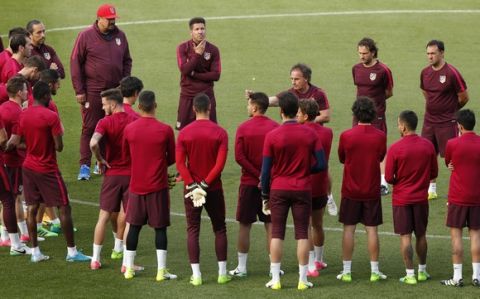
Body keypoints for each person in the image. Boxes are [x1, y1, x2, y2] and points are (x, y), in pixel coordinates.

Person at [10, 81, 90, 262]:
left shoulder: (23, 115)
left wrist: (32, 145)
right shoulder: (51, 116)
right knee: (64, 206)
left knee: (31, 208)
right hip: (47, 168)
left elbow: (17, 142)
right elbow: (59, 146)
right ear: (46, 96)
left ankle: (35, 252)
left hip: (28, 167)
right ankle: (72, 252)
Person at [261, 92, 327, 290]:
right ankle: (302, 279)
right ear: (296, 111)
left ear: (281, 112)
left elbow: (265, 171)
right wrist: (305, 169)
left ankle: (275, 279)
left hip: (278, 188)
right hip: (302, 188)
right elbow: (321, 164)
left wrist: (265, 194)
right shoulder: (310, 134)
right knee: (302, 234)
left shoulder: (272, 136)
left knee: (277, 234)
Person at [71, 3, 132, 180]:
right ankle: (84, 165)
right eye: (109, 19)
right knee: (89, 126)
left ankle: (103, 163)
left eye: (114, 18)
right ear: (99, 19)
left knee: (114, 126)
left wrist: (125, 82)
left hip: (115, 89)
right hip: (93, 89)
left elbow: (127, 60)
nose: (113, 21)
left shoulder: (120, 35)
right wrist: (79, 90)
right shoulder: (85, 36)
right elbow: (75, 62)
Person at [176, 93, 230, 286]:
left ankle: (197, 276)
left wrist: (192, 185)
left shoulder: (184, 133)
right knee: (220, 228)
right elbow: (220, 163)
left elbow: (181, 163)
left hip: (191, 190)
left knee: (192, 229)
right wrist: (205, 185)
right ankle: (222, 274)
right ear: (210, 108)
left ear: (193, 109)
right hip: (213, 188)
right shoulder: (220, 133)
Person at [123, 90, 176, 281]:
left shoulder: (129, 129)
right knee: (160, 228)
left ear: (139, 106)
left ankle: (128, 269)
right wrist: (159, 164)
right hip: (158, 186)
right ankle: (161, 271)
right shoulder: (165, 129)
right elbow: (173, 157)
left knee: (134, 227)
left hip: (136, 186)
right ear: (155, 105)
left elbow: (126, 155)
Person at [337, 96, 387, 282]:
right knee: (372, 230)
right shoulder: (380, 136)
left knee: (348, 229)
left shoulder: (346, 136)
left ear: (355, 113)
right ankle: (375, 271)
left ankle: (346, 271)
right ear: (373, 114)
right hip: (371, 190)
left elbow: (342, 158)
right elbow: (381, 157)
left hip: (350, 190)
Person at [229, 92, 279, 277]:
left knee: (244, 225)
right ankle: (274, 268)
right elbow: (278, 157)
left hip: (249, 184)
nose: (247, 107)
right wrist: (265, 176)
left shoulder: (243, 128)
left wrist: (257, 175)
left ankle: (241, 268)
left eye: (249, 104)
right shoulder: (275, 127)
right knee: (271, 225)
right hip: (270, 186)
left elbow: (239, 157)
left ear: (255, 107)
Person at [385, 110, 438, 284]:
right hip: (421, 199)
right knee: (421, 235)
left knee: (405, 236)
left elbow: (388, 178)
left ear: (404, 126)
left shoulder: (395, 148)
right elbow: (434, 172)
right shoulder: (428, 146)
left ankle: (410, 275)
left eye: (399, 124)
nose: (398, 127)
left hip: (401, 199)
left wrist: (398, 181)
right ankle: (422, 271)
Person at [89, 88, 136, 270]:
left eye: (104, 104)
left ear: (113, 103)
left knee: (104, 217)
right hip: (132, 175)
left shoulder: (105, 122)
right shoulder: (135, 121)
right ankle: (126, 263)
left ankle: (95, 259)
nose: (102, 108)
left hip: (112, 175)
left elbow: (93, 143)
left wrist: (100, 159)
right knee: (130, 219)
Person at [420, 40, 468, 200]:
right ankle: (431, 189)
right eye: (428, 53)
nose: (430, 57)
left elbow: (463, 97)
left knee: (453, 159)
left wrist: (450, 110)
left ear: (442, 53)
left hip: (447, 122)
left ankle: (458, 191)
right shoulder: (425, 73)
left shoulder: (452, 73)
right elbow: (425, 92)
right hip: (429, 122)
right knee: (427, 154)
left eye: (433, 53)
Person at [441, 109, 480, 287]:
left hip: (457, 196)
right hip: (477, 196)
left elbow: (449, 162)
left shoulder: (452, 143)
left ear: (460, 126)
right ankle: (477, 276)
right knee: (476, 235)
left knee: (456, 235)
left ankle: (457, 277)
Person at [296, 99, 333, 277]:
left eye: (298, 113)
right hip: (321, 184)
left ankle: (310, 265)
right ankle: (319, 259)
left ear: (304, 115)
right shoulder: (328, 133)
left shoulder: (299, 132)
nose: (296, 115)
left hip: (304, 183)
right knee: (318, 224)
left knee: (306, 225)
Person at [353, 37, 394, 196]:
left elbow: (389, 92)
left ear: (373, 52)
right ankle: (363, 179)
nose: (361, 56)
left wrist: (375, 104)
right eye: (359, 53)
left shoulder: (383, 70)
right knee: (358, 146)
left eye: (364, 53)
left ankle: (383, 182)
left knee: (379, 148)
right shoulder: (356, 68)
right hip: (358, 115)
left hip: (376, 115)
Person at [0, 77, 31, 255]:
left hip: (6, 159)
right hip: (13, 159)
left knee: (6, 199)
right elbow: (13, 140)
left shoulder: (2, 107)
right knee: (14, 198)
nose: (27, 92)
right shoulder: (19, 113)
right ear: (19, 92)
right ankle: (19, 239)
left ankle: (5, 236)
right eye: (26, 90)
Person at [176, 17, 221, 130]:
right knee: (184, 130)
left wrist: (194, 74)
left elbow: (216, 75)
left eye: (202, 28)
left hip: (207, 96)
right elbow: (185, 70)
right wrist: (197, 55)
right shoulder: (182, 48)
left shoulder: (213, 49)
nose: (200, 31)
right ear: (191, 32)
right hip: (188, 96)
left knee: (210, 130)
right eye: (197, 29)